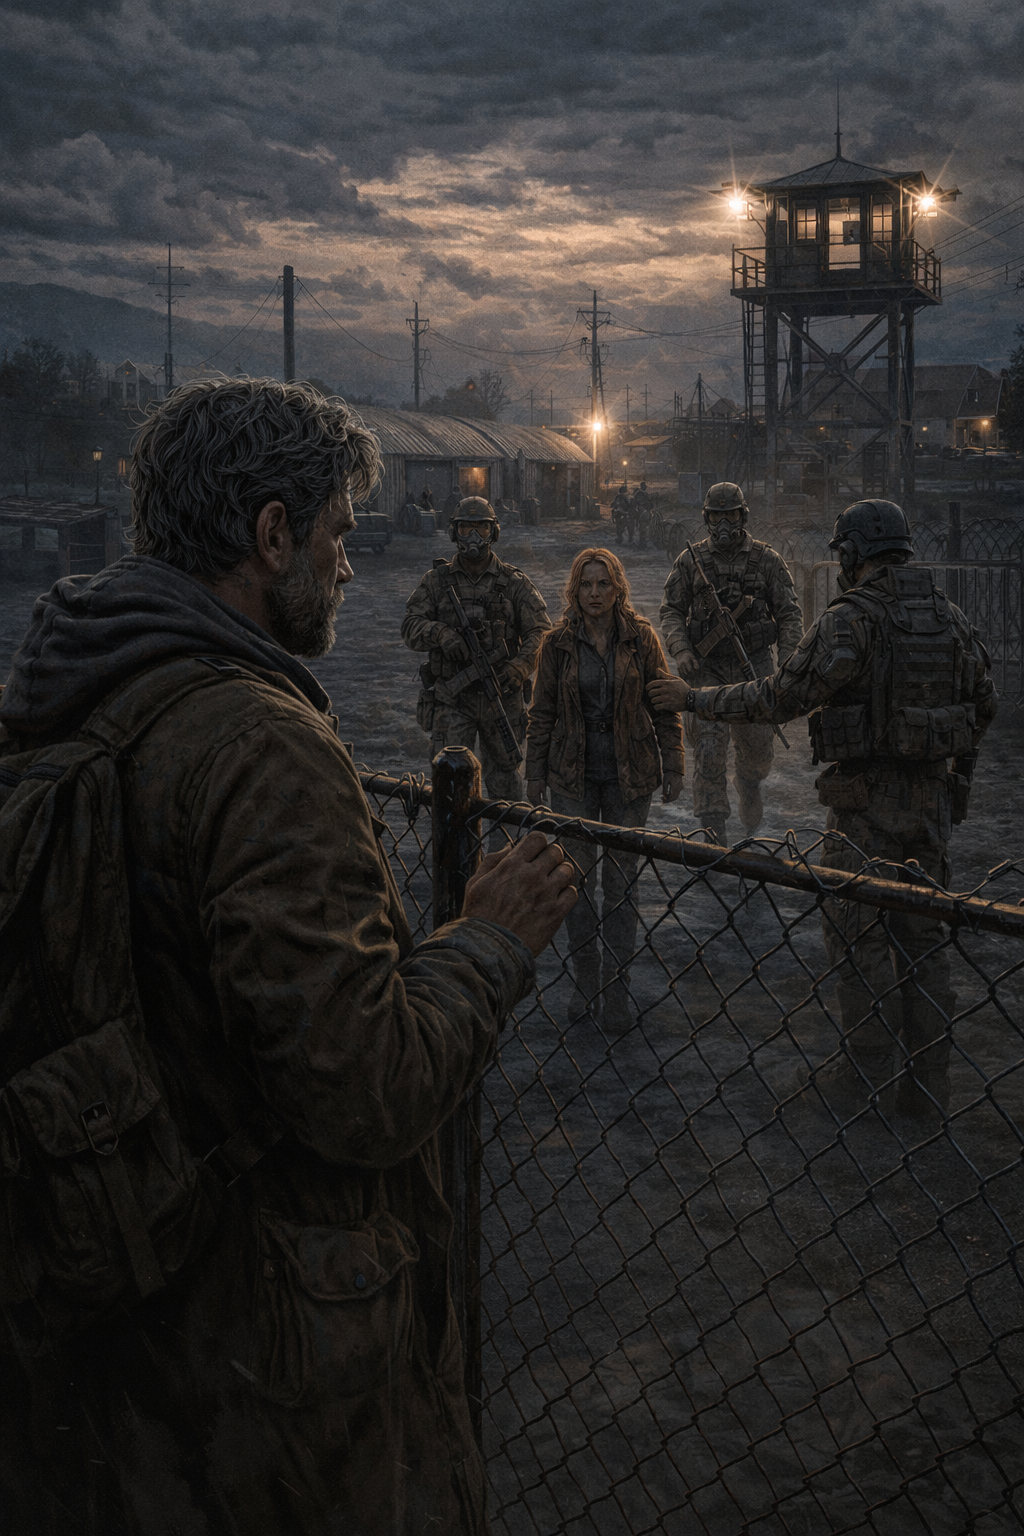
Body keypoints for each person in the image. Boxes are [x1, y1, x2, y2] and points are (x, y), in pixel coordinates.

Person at [0, 378, 577, 1536]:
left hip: (113, 1304)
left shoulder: (69, 687)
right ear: (272, 536)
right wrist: (488, 943)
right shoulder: (260, 743)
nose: (350, 565)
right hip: (268, 1355)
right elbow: (364, 1087)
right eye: (337, 535)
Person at [648, 499, 997, 1119]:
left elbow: (781, 696)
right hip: (932, 808)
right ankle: (926, 1089)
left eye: (842, 553)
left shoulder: (851, 620)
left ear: (855, 553)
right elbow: (984, 701)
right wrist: (951, 769)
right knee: (924, 942)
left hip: (863, 811)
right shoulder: (949, 616)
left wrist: (695, 701)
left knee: (858, 938)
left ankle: (862, 1079)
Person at [525, 549, 684, 1033]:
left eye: (603, 585)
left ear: (618, 589)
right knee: (575, 884)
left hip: (628, 776)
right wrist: (534, 774)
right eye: (586, 585)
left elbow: (664, 704)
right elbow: (542, 712)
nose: (594, 594)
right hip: (571, 775)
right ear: (574, 590)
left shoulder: (641, 639)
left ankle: (617, 990)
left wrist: (673, 762)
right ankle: (585, 981)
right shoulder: (556, 644)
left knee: (620, 886)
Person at [659, 481, 803, 845]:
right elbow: (672, 611)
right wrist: (682, 650)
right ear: (708, 518)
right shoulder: (691, 561)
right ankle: (713, 829)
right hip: (706, 669)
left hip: (753, 668)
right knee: (708, 750)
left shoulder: (767, 560)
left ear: (743, 516)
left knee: (757, 747)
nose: (725, 524)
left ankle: (749, 783)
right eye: (718, 516)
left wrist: (786, 664)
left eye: (731, 515)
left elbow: (789, 615)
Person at [402, 497, 550, 804]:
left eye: (481, 528)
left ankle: (504, 851)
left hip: (502, 699)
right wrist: (440, 633)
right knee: (450, 788)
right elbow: (410, 627)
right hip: (452, 700)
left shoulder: (514, 583)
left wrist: (521, 666)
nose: (473, 537)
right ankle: (456, 853)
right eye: (466, 528)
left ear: (493, 533)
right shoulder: (436, 582)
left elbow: (542, 633)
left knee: (505, 787)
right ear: (454, 533)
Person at [633, 480, 653, 550]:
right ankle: (642, 544)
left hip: (644, 513)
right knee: (642, 530)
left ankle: (643, 543)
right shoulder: (639, 494)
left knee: (644, 530)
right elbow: (639, 503)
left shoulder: (643, 494)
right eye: (644, 486)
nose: (645, 487)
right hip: (642, 514)